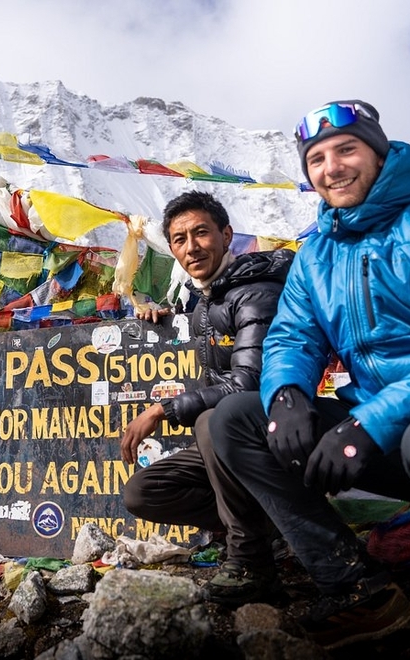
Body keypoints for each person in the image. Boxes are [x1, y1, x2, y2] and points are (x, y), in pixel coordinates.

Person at [209, 100, 410, 649]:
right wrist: (286, 393)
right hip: (372, 434)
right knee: (235, 418)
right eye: (317, 159)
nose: (332, 168)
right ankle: (356, 589)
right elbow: (292, 336)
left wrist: (371, 422)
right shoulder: (316, 254)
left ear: (379, 153)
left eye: (346, 149)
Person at [120, 190, 294, 606]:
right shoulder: (205, 300)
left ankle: (251, 560)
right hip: (227, 438)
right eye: (179, 239)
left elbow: (248, 383)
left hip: (276, 434)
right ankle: (269, 523)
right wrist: (159, 316)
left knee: (211, 420)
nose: (191, 247)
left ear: (226, 235)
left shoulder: (255, 293)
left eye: (201, 233)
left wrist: (162, 409)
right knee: (143, 492)